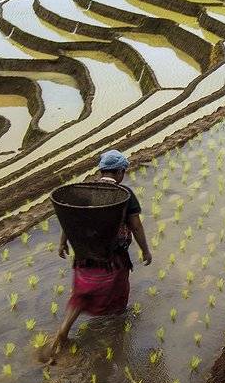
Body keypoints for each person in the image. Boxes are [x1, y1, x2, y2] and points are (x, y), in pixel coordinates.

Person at [49, 149, 152, 357]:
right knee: (119, 296)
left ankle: (63, 331)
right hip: (113, 259)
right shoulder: (124, 195)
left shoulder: (86, 191)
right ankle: (115, 332)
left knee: (80, 296)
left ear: (101, 170)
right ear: (120, 172)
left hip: (84, 256)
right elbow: (136, 226)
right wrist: (145, 250)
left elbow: (70, 220)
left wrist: (62, 243)